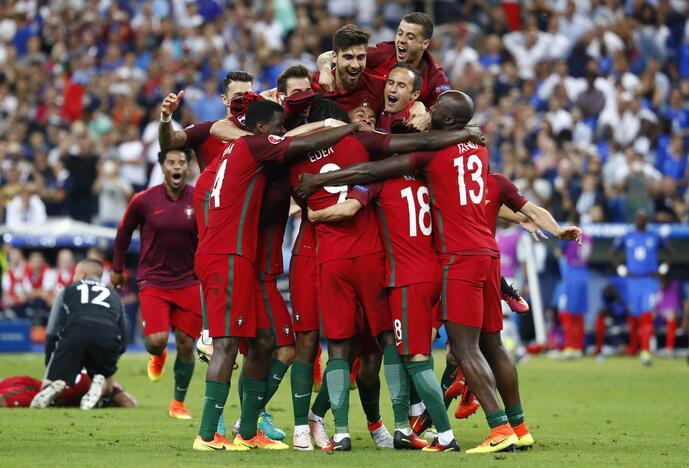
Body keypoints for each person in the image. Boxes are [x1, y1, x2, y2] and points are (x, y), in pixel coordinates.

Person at [296, 91, 580, 454]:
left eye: (434, 111)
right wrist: (557, 230)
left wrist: (317, 185)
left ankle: (490, 430)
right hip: (488, 259)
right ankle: (519, 426)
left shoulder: (429, 157)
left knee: (455, 350)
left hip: (449, 263)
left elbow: (367, 174)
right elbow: (509, 202)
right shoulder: (482, 158)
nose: (428, 113)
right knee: (491, 344)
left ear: (445, 123)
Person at [290, 98, 483, 452]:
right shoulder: (432, 175)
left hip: (388, 273)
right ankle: (400, 426)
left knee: (352, 350)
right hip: (430, 271)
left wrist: (314, 212)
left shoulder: (379, 178)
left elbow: (352, 197)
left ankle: (360, 432)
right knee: (392, 346)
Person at [192, 99, 360, 452]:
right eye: (278, 125)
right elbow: (299, 144)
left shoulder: (236, 150)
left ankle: (249, 430)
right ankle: (208, 435)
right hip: (228, 255)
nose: (283, 130)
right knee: (225, 345)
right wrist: (348, 129)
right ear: (262, 129)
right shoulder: (254, 146)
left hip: (239, 259)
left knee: (271, 341)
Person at [112, 147, 201, 419]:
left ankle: (178, 403)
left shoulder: (199, 199)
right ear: (162, 168)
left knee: (187, 344)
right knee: (155, 340)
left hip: (189, 280)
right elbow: (124, 231)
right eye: (171, 162)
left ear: (188, 168)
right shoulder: (144, 200)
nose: (177, 167)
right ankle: (157, 353)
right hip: (154, 280)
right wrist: (117, 269)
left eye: (182, 163)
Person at [30, 259, 127, 410]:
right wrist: (115, 356)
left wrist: (51, 360)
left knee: (50, 379)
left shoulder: (68, 290)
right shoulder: (114, 295)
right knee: (107, 376)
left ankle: (51, 386)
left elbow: (52, 331)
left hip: (76, 332)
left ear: (82, 275)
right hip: (108, 336)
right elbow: (124, 331)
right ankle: (101, 390)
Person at [317, 12, 450, 108]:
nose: (402, 40)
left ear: (425, 44)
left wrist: (425, 114)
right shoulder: (384, 52)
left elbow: (447, 108)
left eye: (410, 37)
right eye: (400, 33)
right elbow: (330, 56)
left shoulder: (435, 76)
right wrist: (325, 70)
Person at [612, 210, 673, 366]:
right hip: (632, 281)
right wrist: (621, 268)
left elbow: (669, 252)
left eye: (644, 218)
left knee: (647, 314)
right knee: (634, 315)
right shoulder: (628, 235)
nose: (641, 220)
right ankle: (635, 347)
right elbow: (613, 253)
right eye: (639, 218)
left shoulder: (654, 235)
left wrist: (663, 267)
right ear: (635, 219)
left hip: (649, 280)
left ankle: (646, 350)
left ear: (647, 220)